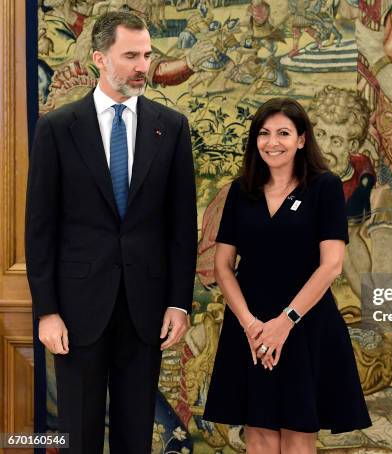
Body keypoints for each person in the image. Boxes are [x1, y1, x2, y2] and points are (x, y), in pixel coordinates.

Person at [25, 12, 197, 453]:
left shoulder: (171, 127)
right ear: (100, 58)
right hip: (77, 312)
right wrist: (46, 311)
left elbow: (180, 226)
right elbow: (40, 229)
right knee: (77, 436)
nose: (143, 66)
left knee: (134, 435)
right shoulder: (58, 128)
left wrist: (179, 302)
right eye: (131, 56)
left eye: (147, 55)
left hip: (146, 310)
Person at [203, 98, 371, 453]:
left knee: (297, 435)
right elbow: (222, 266)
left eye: (283, 133)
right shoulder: (240, 191)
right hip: (250, 326)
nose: (272, 142)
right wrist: (251, 325)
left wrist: (285, 321)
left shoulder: (324, 187)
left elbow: (332, 265)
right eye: (264, 133)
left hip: (306, 324)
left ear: (301, 139)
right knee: (259, 434)